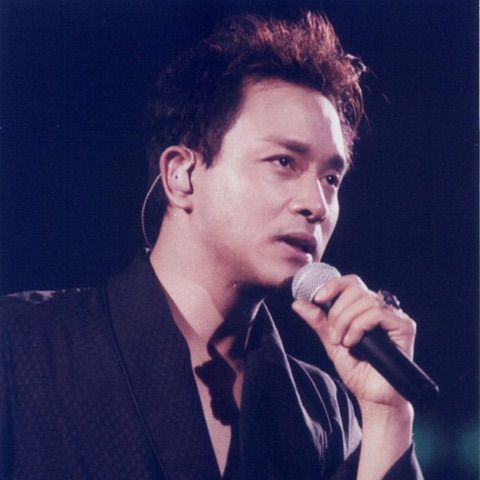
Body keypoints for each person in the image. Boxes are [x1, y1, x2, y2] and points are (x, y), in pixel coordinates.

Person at [0, 12, 423, 479]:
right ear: (181, 175)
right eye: (284, 161)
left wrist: (387, 414)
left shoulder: (323, 411)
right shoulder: (21, 344)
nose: (316, 204)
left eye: (331, 179)